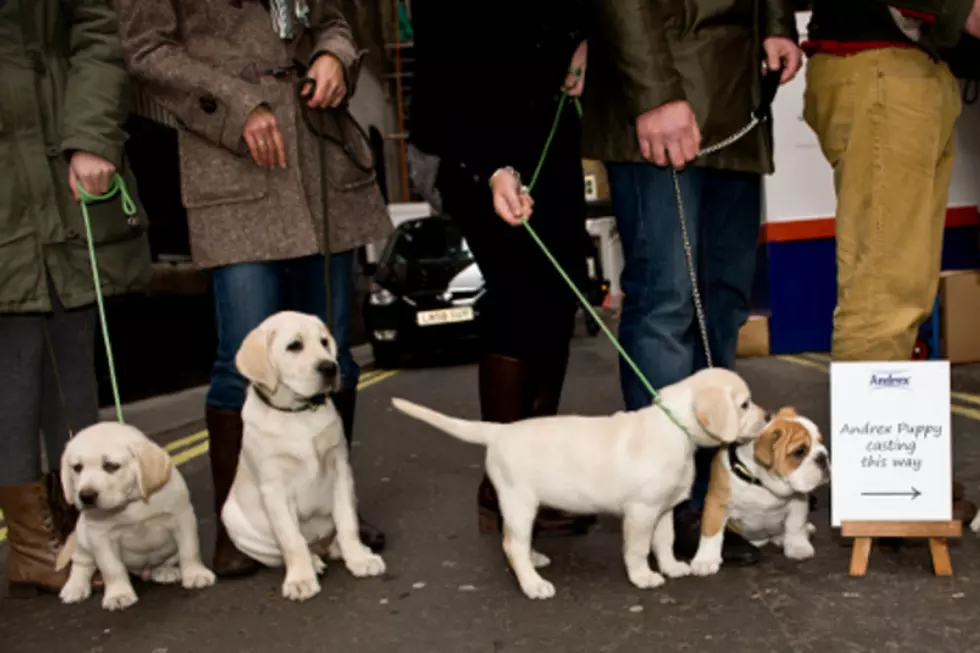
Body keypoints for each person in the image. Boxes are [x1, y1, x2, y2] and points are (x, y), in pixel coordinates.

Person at [116, 0, 392, 577]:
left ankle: (330, 521)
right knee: (242, 359)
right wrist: (238, 104)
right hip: (232, 160)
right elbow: (145, 49)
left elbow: (335, 21)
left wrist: (333, 56)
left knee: (330, 352)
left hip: (318, 162)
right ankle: (237, 528)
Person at [581, 0, 802, 565]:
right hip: (662, 89)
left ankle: (710, 497)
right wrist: (655, 91)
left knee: (723, 304)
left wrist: (776, 27)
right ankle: (664, 505)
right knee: (667, 303)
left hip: (739, 100)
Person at [409, 0, 596, 535]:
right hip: (470, 141)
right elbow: (445, 73)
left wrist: (584, 40)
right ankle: (505, 484)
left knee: (559, 298)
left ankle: (537, 476)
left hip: (549, 132)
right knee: (517, 295)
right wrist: (490, 168)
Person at [802, 0, 980, 525]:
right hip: (884, 68)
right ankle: (881, 494)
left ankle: (901, 478)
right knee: (883, 290)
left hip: (913, 70)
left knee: (905, 285)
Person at [0, 0, 152, 595]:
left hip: (61, 170)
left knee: (71, 353)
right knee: (12, 365)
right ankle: (33, 542)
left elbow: (99, 28)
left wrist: (90, 136)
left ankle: (86, 530)